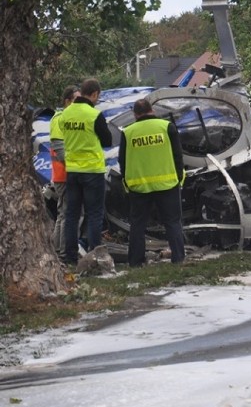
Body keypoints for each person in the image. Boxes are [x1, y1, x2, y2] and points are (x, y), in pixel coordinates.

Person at [119, 99, 186, 266]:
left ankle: (135, 261)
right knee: (172, 222)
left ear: (135, 115)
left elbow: (122, 161)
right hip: (167, 184)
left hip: (139, 185)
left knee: (138, 225)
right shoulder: (166, 127)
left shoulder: (128, 132)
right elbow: (178, 155)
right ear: (152, 110)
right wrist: (178, 178)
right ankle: (178, 258)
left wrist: (127, 182)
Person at [62, 78, 113, 265]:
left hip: (73, 170)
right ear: (94, 94)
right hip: (92, 170)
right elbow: (107, 140)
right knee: (94, 214)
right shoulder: (94, 115)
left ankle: (69, 256)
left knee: (72, 214)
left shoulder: (65, 114)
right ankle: (95, 257)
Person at [49, 85, 80, 254]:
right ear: (67, 101)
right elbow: (60, 150)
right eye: (76, 99)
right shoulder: (60, 118)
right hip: (65, 173)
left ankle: (61, 250)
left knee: (65, 213)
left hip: (65, 173)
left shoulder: (65, 117)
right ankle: (61, 251)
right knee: (66, 214)